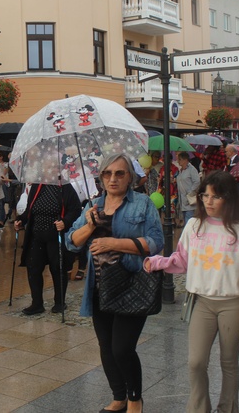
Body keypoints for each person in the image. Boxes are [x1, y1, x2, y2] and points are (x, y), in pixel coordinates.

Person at [144, 170, 239, 413]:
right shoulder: (193, 226)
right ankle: (199, 408)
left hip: (233, 303)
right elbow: (182, 260)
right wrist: (159, 262)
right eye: (204, 195)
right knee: (196, 362)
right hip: (202, 303)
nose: (208, 201)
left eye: (215, 196)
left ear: (228, 199)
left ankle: (227, 408)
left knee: (229, 363)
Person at [66, 153, 163, 413]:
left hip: (131, 285)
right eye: (107, 173)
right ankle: (118, 397)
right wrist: (88, 226)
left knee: (122, 348)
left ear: (129, 176)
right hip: (99, 287)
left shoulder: (142, 204)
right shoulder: (92, 206)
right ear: (101, 177)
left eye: (119, 173)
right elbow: (70, 242)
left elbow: (156, 242)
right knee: (106, 348)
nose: (113, 178)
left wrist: (114, 244)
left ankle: (134, 399)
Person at [14, 182, 81, 315]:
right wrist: (21, 220)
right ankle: (37, 303)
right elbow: (30, 210)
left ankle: (59, 302)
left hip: (56, 235)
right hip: (36, 234)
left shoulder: (65, 187)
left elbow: (75, 209)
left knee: (57, 268)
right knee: (33, 267)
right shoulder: (37, 186)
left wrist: (65, 221)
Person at [176, 151, 200, 226]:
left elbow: (197, 181)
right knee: (184, 219)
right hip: (182, 199)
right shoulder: (180, 170)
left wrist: (190, 191)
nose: (178, 161)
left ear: (185, 160)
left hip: (189, 199)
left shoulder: (192, 169)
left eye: (180, 159)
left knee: (188, 221)